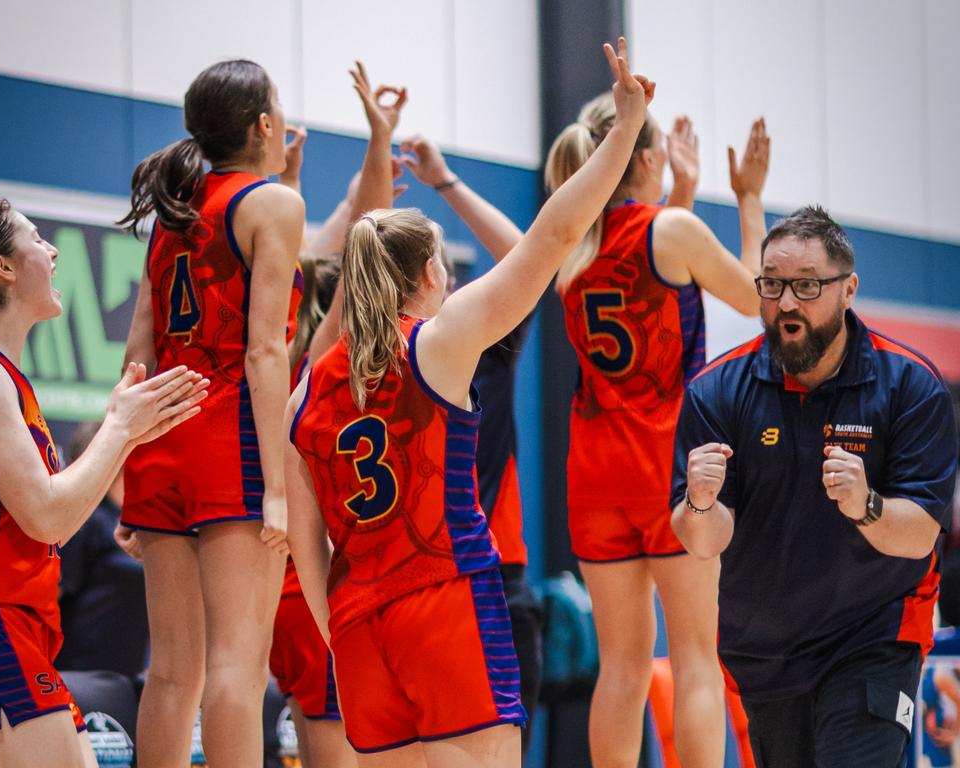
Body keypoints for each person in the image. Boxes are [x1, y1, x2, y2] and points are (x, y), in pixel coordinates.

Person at [284, 37, 652, 768]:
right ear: (429, 272)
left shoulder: (308, 388)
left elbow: (306, 542)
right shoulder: (439, 343)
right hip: (446, 599)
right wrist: (626, 130)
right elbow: (554, 234)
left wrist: (343, 629)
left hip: (360, 625)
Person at [670, 205, 959, 767]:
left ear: (848, 288)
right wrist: (700, 504)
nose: (785, 304)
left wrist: (866, 504)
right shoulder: (716, 390)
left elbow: (920, 536)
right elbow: (703, 541)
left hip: (873, 638)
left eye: (806, 286)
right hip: (766, 648)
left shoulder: (909, 386)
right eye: (772, 285)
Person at [0, 200, 207, 768]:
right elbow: (48, 516)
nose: (53, 251)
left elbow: (53, 514)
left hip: (20, 619)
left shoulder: (0, 373)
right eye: (37, 239)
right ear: (2, 268)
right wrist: (119, 427)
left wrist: (127, 436)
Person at [545, 87, 770, 767]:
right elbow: (760, 299)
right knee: (698, 657)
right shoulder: (670, 232)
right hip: (671, 465)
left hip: (595, 471)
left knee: (621, 670)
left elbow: (652, 276)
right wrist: (749, 199)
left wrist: (686, 192)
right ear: (645, 157)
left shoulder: (573, 242)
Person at [117, 58, 305, 768]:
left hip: (161, 435)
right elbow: (264, 353)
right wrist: (278, 487)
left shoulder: (175, 211)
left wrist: (129, 460)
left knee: (172, 670)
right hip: (230, 438)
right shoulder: (272, 205)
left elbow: (138, 348)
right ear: (263, 125)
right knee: (237, 667)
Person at [269, 62, 408, 768]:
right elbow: (367, 241)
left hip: (277, 593)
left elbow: (314, 250)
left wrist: (288, 184)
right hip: (311, 582)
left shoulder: (266, 345)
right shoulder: (319, 361)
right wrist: (378, 144)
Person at [399, 132, 544, 756]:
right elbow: (526, 254)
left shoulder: (355, 366)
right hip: (484, 577)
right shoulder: (471, 348)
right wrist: (444, 182)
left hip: (403, 584)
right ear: (438, 279)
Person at [56, 422, 149, 677]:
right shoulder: (86, 522)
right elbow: (55, 595)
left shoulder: (137, 521)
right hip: (77, 672)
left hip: (126, 671)